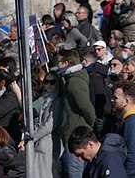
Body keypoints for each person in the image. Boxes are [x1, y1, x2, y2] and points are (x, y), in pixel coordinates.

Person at [57, 49, 96, 178]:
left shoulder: (74, 82)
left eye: (59, 62)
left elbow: (87, 108)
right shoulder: (70, 79)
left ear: (66, 63)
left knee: (74, 171)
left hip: (76, 133)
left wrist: (89, 125)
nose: (57, 64)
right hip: (74, 130)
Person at [31, 73, 62, 177]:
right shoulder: (46, 99)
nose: (49, 84)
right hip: (42, 142)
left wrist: (33, 137)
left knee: (47, 173)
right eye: (46, 81)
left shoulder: (57, 101)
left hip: (49, 143)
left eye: (52, 82)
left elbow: (49, 125)